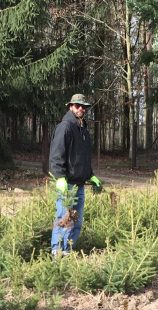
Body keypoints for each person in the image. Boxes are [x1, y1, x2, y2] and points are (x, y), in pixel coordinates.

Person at [49, 93, 103, 255]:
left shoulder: (83, 129)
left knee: (76, 222)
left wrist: (90, 175)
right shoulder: (65, 127)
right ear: (70, 106)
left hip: (79, 185)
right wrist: (59, 177)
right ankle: (57, 252)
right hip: (68, 184)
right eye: (78, 106)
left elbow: (82, 158)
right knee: (64, 219)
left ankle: (67, 251)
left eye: (84, 106)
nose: (81, 109)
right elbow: (56, 154)